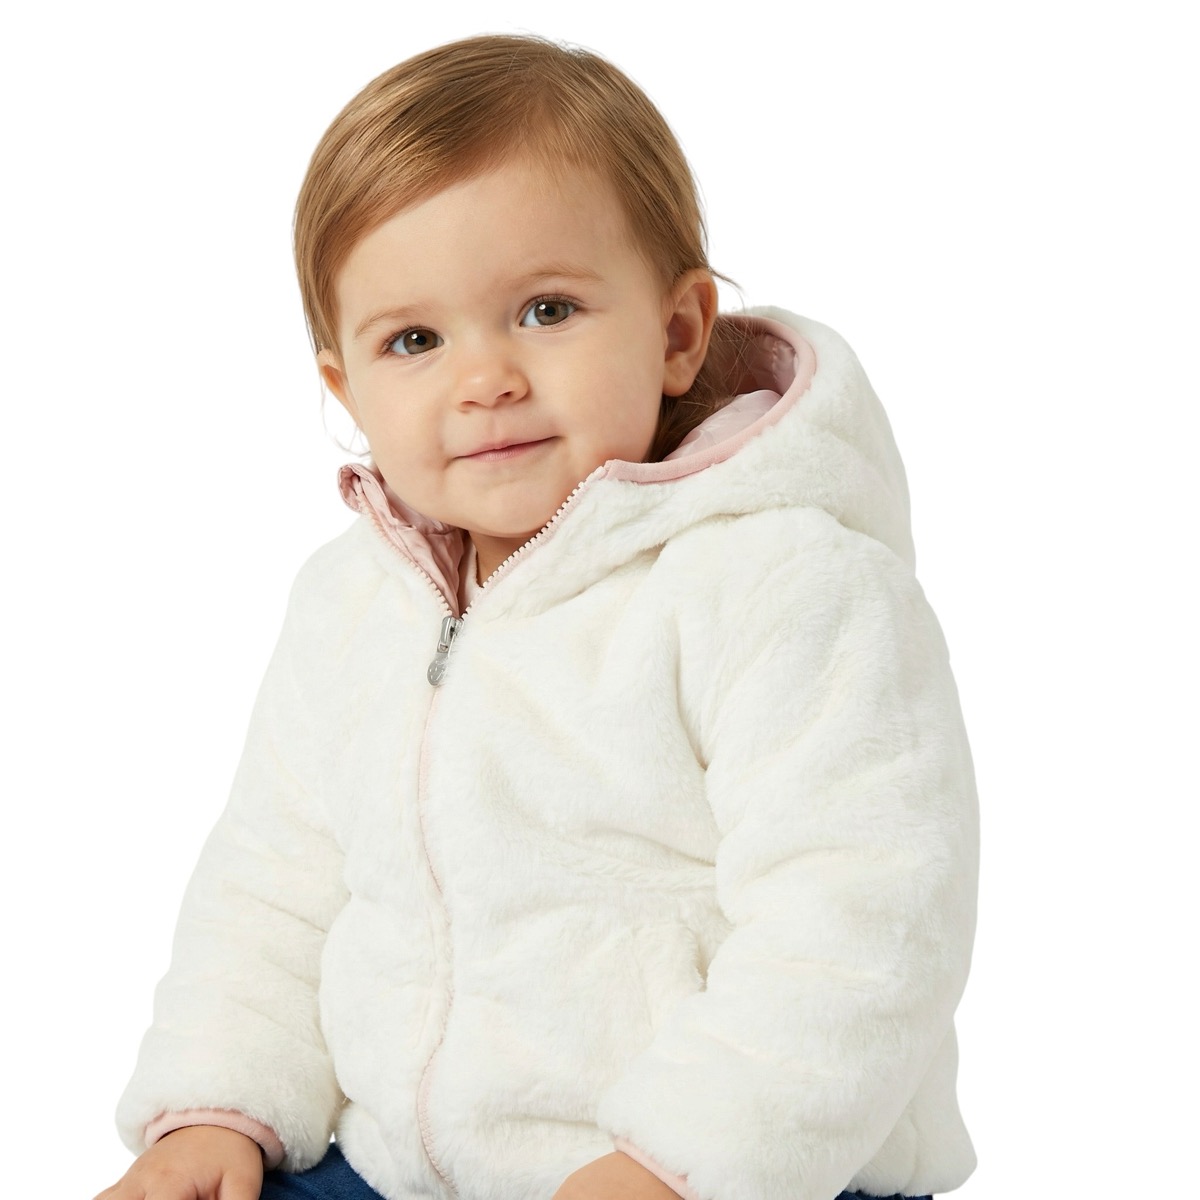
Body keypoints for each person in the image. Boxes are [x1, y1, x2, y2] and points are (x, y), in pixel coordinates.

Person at [97, 33, 978, 1200]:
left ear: (678, 332)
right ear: (345, 387)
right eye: (414, 340)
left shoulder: (781, 586)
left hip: (741, 1163)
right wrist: (216, 1107)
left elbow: (864, 919)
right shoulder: (347, 604)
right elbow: (275, 885)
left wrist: (677, 1164)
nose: (486, 380)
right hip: (401, 1167)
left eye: (547, 310)